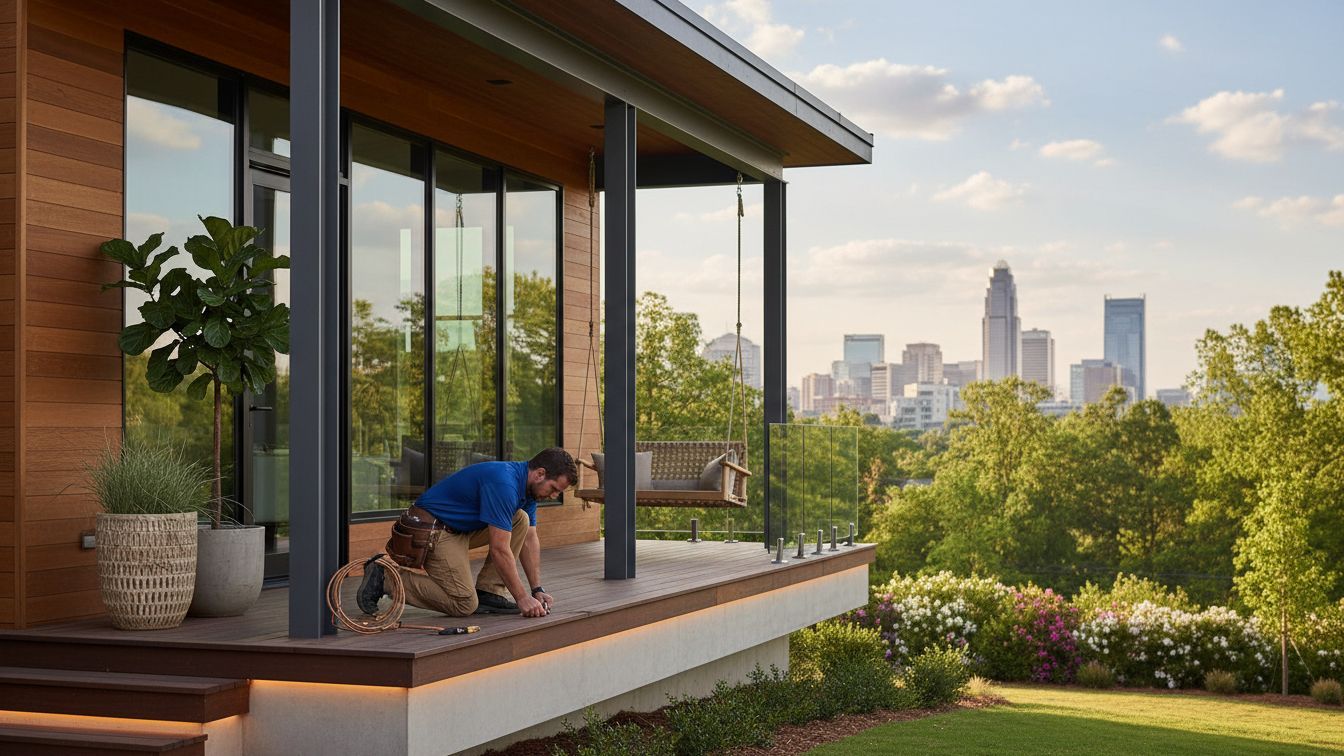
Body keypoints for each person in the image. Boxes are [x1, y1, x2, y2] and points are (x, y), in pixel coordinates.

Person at [358, 448, 576, 619]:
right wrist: (522, 598)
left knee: (521, 519)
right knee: (463, 604)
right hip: (430, 530)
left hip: (456, 529)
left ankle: (489, 592)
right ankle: (385, 576)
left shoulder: (528, 491)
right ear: (540, 474)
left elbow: (529, 538)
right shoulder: (505, 484)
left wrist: (536, 589)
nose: (554, 495)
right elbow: (500, 550)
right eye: (554, 488)